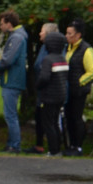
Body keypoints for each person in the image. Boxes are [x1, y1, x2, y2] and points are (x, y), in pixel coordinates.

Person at [0, 10, 28, 154]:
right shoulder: (18, 36)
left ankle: (14, 145)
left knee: (10, 115)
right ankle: (12, 143)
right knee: (10, 114)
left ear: (9, 24)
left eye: (1, 24)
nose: (0, 27)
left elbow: (8, 60)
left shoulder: (16, 38)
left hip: (12, 81)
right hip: (12, 79)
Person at [64, 19, 93, 156]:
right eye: (66, 33)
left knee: (76, 117)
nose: (67, 36)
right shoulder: (68, 48)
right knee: (68, 117)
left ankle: (78, 146)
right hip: (67, 89)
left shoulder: (86, 49)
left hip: (78, 90)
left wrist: (79, 82)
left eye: (70, 34)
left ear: (78, 35)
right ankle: (71, 144)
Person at [26, 22, 61, 154]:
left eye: (42, 31)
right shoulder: (43, 47)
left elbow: (45, 71)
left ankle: (54, 150)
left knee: (50, 121)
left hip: (49, 92)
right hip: (43, 91)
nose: (39, 33)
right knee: (40, 118)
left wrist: (40, 83)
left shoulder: (53, 52)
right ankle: (40, 145)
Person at [34, 31, 69, 156]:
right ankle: (57, 149)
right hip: (60, 96)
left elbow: (44, 77)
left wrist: (37, 86)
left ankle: (53, 150)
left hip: (48, 96)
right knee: (55, 122)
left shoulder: (48, 59)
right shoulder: (62, 59)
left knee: (48, 124)